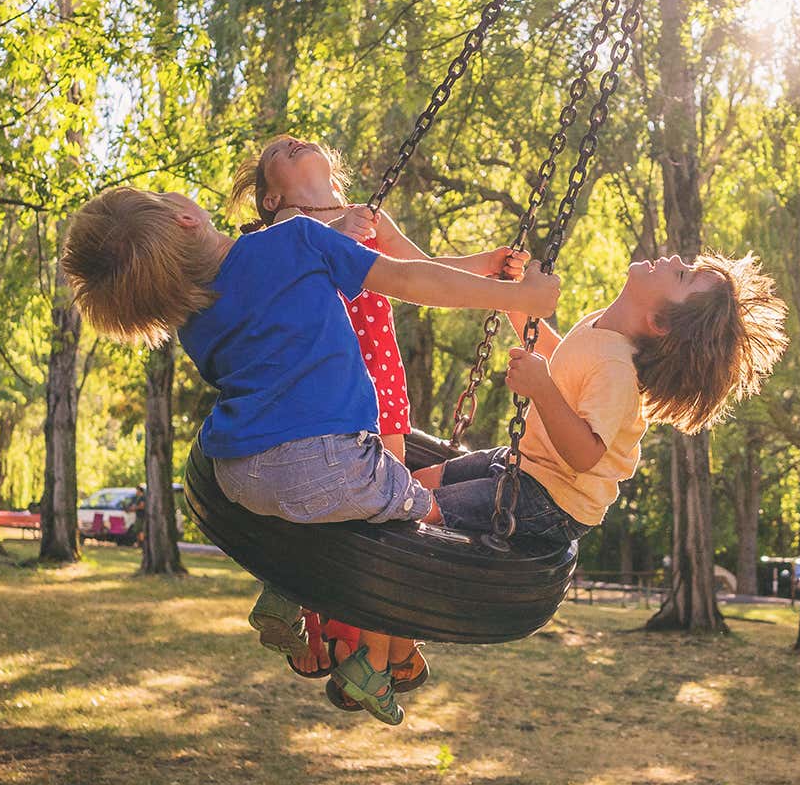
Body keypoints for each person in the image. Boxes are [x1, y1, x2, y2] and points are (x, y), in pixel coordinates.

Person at [61, 187, 560, 724]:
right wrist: (516, 299)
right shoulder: (296, 239)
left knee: (317, 511)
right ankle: (367, 662)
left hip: (237, 474)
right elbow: (411, 279)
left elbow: (267, 304)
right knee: (425, 512)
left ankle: (285, 589)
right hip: (327, 460)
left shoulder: (193, 320)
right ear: (185, 219)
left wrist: (334, 238)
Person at [226, 135, 528, 705]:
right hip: (318, 391)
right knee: (315, 495)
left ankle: (369, 651)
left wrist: (487, 271)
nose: (292, 141)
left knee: (377, 518)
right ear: (270, 196)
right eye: (279, 151)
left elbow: (419, 271)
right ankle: (294, 603)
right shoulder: (277, 234)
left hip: (381, 389)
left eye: (298, 141)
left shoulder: (369, 218)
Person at [414, 252, 789, 549]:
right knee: (418, 482)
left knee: (418, 507)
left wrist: (542, 388)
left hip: (553, 499)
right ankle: (398, 647)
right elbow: (563, 358)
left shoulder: (618, 372)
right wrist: (516, 300)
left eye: (681, 276)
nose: (675, 260)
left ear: (659, 320)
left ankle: (391, 642)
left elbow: (586, 454)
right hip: (527, 464)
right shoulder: (603, 327)